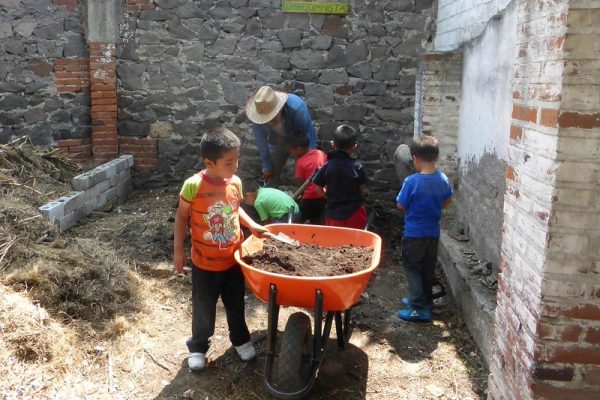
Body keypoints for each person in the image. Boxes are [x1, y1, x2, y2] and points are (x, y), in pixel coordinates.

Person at [173, 127, 268, 371]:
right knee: (203, 306)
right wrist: (178, 251)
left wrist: (253, 225)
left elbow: (235, 208)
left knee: (236, 303)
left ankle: (240, 340)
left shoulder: (235, 181)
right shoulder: (193, 186)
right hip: (204, 262)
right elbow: (182, 217)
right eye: (229, 162)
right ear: (209, 162)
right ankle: (198, 346)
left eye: (237, 159)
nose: (235, 166)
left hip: (232, 259)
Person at [395, 135, 453, 322]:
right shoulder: (442, 179)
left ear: (415, 158)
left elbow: (401, 205)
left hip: (414, 235)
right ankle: (424, 301)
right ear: (435, 157)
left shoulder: (411, 182)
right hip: (432, 233)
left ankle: (417, 308)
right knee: (427, 269)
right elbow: (447, 201)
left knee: (412, 269)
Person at [245, 85, 317, 188]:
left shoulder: (296, 107)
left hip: (299, 143)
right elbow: (261, 142)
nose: (270, 120)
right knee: (271, 172)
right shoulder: (257, 118)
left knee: (305, 171)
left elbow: (308, 134)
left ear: (280, 107)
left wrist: (311, 158)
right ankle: (269, 196)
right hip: (277, 141)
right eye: (266, 118)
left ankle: (306, 195)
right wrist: (267, 166)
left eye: (273, 116)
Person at [312, 125, 367, 229]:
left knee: (336, 242)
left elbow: (318, 188)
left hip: (333, 214)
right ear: (354, 147)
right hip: (354, 212)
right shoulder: (357, 167)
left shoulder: (327, 166)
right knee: (357, 242)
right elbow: (362, 189)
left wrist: (327, 196)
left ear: (333, 144)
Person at [288, 130, 327, 224]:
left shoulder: (300, 162)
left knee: (298, 220)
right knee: (319, 221)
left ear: (299, 149)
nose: (291, 153)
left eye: (292, 150)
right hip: (324, 194)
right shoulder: (321, 153)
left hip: (309, 197)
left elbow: (301, 183)